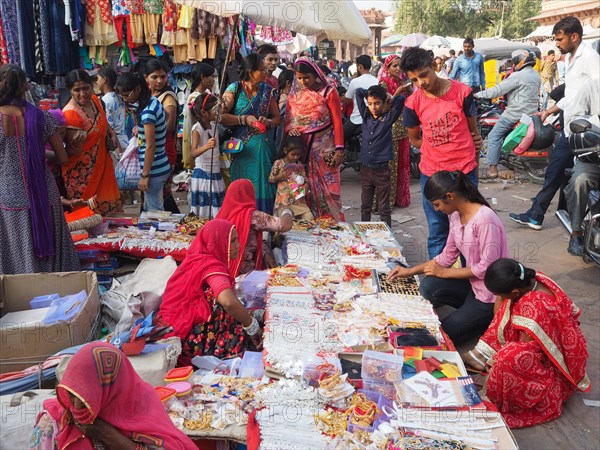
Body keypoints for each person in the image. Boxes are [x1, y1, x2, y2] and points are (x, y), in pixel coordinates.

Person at [461, 258, 589, 428]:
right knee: (504, 314)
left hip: (550, 366)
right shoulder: (534, 278)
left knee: (506, 360)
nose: (499, 298)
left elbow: (527, 351)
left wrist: (498, 365)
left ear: (515, 293)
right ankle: (482, 356)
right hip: (551, 343)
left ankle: (490, 366)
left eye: (500, 294)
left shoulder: (533, 307)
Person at [387, 170, 508, 345]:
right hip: (472, 285)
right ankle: (470, 317)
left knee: (439, 337)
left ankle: (486, 320)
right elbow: (447, 256)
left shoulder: (485, 219)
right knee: (428, 286)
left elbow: (486, 269)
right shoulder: (455, 216)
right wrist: (409, 271)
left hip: (488, 295)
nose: (437, 210)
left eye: (437, 205)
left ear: (450, 196)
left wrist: (444, 273)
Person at [510, 16, 600, 230]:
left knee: (559, 173)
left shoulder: (589, 57)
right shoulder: (571, 57)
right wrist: (549, 111)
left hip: (585, 130)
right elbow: (572, 94)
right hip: (571, 127)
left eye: (559, 39)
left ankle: (542, 217)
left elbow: (594, 91)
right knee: (560, 173)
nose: (556, 44)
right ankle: (551, 215)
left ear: (574, 36)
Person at [30, 342, 195, 449]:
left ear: (110, 387)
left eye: (86, 394)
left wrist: (109, 436)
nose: (76, 404)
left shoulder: (141, 406)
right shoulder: (53, 423)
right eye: (72, 392)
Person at [401, 47, 483, 258]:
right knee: (438, 230)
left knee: (469, 229)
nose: (421, 83)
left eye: (424, 75)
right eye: (414, 80)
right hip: (433, 175)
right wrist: (435, 148)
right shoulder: (412, 103)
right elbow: (415, 139)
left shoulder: (463, 93)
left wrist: (470, 153)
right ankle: (439, 283)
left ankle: (470, 282)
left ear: (433, 65)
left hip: (464, 171)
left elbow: (474, 132)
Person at [0, 65, 79, 274]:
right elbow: (62, 157)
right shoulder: (42, 117)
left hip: (10, 193)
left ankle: (23, 289)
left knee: (17, 246)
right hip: (45, 191)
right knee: (52, 239)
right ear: (25, 86)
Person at [160, 219, 263, 365]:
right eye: (232, 241)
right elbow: (227, 301)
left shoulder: (197, 259)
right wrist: (251, 325)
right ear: (217, 242)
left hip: (180, 329)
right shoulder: (213, 268)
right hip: (197, 340)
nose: (237, 246)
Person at [285, 57, 345, 221]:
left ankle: (333, 224)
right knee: (304, 188)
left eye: (306, 77)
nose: (303, 81)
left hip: (325, 149)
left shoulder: (329, 92)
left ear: (316, 75)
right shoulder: (294, 96)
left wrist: (339, 149)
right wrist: (291, 130)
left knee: (329, 190)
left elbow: (337, 122)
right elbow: (288, 122)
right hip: (301, 151)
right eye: (299, 78)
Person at [220, 54, 280, 214]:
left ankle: (265, 223)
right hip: (241, 150)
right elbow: (220, 116)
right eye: (262, 70)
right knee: (241, 186)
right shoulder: (234, 89)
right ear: (250, 71)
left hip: (263, 151)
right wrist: (243, 119)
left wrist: (268, 122)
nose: (266, 73)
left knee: (263, 185)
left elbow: (277, 118)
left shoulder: (267, 91)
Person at [474, 49, 541, 179]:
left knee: (494, 136)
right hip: (532, 114)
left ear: (521, 60)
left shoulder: (517, 76)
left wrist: (477, 94)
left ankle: (492, 169)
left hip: (515, 114)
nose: (514, 64)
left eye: (515, 61)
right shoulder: (536, 75)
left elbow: (497, 91)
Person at [62, 69, 121, 215]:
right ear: (70, 91)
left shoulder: (95, 100)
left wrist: (112, 136)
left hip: (103, 167)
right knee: (88, 217)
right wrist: (76, 144)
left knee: (109, 219)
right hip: (82, 176)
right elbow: (72, 152)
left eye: (86, 88)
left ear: (92, 86)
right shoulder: (71, 113)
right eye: (77, 90)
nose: (83, 94)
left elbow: (106, 126)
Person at [115, 72, 171, 211]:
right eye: (122, 96)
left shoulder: (147, 112)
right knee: (151, 208)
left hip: (154, 169)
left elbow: (150, 145)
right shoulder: (153, 101)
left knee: (154, 211)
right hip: (159, 164)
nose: (125, 99)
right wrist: (140, 129)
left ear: (138, 89)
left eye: (127, 94)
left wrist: (145, 175)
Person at [216, 179, 292, 277]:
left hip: (224, 270)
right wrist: (287, 211)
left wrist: (265, 251)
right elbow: (285, 225)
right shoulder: (252, 216)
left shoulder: (222, 214)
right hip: (244, 272)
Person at [355, 85, 405, 226]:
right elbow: (359, 92)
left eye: (377, 103)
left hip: (382, 171)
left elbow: (401, 99)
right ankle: (364, 232)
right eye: (370, 104)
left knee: (384, 207)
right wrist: (369, 93)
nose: (373, 107)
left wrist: (390, 96)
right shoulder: (366, 116)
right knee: (365, 205)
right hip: (365, 169)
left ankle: (388, 237)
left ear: (384, 103)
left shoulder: (388, 119)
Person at [564, 78, 600, 256]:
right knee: (579, 180)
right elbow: (572, 119)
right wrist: (590, 130)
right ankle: (576, 232)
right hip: (592, 156)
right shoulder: (592, 87)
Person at [144, 59, 180, 213]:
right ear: (146, 77)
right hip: (153, 147)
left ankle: (174, 222)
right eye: (154, 77)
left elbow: (169, 126)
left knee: (161, 191)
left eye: (162, 77)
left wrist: (149, 130)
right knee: (152, 191)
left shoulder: (168, 97)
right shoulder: (150, 96)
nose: (159, 81)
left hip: (163, 148)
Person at [378, 54, 412, 208]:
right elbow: (382, 107)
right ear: (387, 68)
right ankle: (387, 201)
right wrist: (398, 92)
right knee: (390, 166)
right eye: (394, 66)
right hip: (390, 128)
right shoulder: (383, 83)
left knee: (402, 165)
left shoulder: (403, 81)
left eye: (400, 66)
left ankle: (400, 198)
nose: (398, 69)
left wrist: (409, 90)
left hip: (403, 127)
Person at [189, 93, 224, 219]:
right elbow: (193, 153)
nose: (217, 112)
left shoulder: (214, 126)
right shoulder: (197, 128)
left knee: (216, 207)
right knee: (205, 210)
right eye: (214, 110)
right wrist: (206, 146)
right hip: (203, 172)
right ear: (204, 112)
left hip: (215, 170)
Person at [268, 136, 314, 220]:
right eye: (293, 154)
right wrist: (280, 176)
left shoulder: (299, 164)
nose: (296, 157)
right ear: (285, 150)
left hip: (299, 201)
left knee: (309, 218)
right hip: (284, 201)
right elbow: (271, 179)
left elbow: (305, 179)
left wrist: (306, 186)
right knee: (286, 221)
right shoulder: (278, 163)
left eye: (298, 155)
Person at [183, 62, 216, 169]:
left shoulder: (204, 95)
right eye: (211, 76)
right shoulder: (196, 98)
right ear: (203, 77)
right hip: (200, 139)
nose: (213, 79)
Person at [342, 55, 379, 144]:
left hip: (357, 120)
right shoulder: (377, 81)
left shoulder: (355, 81)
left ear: (360, 66)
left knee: (339, 137)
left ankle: (341, 155)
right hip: (373, 119)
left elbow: (347, 101)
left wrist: (341, 98)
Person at [96, 67, 129, 151]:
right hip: (126, 139)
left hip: (116, 144)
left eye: (98, 79)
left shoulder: (105, 101)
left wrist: (119, 152)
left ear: (104, 79)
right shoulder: (120, 97)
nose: (96, 82)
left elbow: (109, 127)